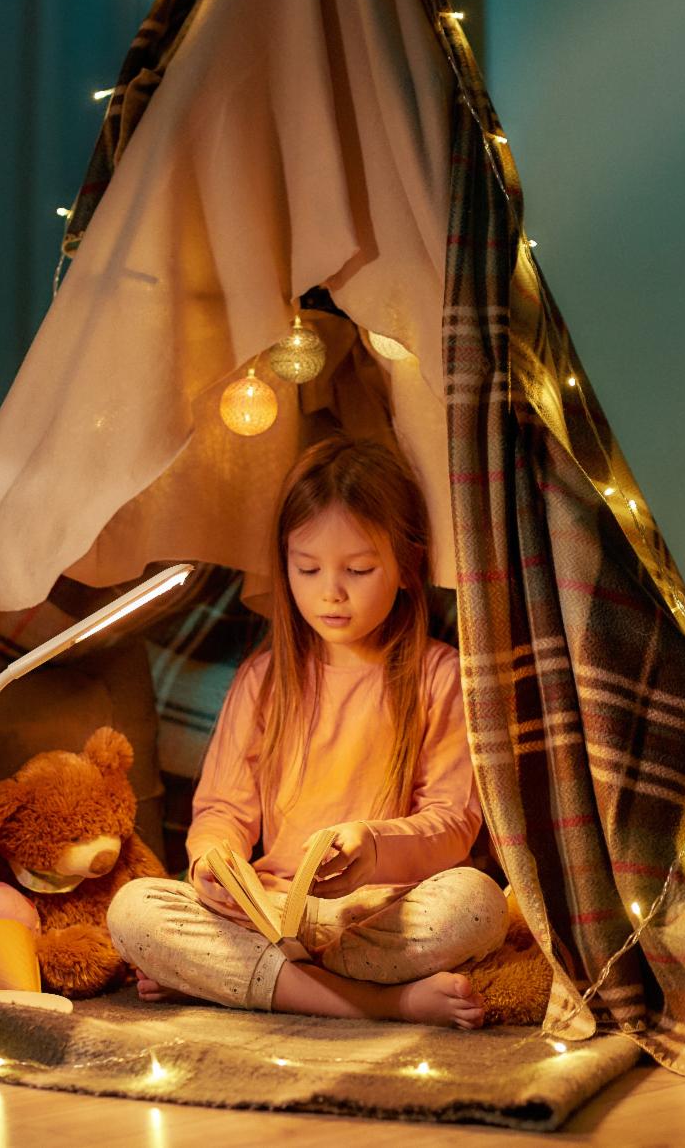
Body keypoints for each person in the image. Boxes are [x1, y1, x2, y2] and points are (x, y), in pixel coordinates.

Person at [107, 436, 507, 1028]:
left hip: (376, 916)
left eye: (359, 569)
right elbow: (222, 809)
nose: (331, 592)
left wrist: (372, 846)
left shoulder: (441, 675)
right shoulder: (263, 679)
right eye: (308, 568)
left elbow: (453, 823)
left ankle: (248, 980)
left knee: (478, 904)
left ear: (407, 568)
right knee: (134, 910)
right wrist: (213, 866)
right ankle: (380, 1003)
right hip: (269, 912)